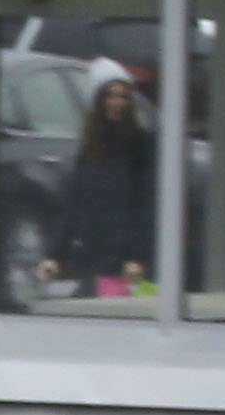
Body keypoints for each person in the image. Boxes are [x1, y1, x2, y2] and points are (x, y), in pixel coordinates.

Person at [48, 73, 158, 294]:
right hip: (94, 250)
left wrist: (138, 256)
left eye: (122, 97)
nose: (117, 102)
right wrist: (55, 256)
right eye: (110, 96)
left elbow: (146, 203)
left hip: (126, 257)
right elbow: (74, 203)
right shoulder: (91, 148)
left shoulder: (141, 146)